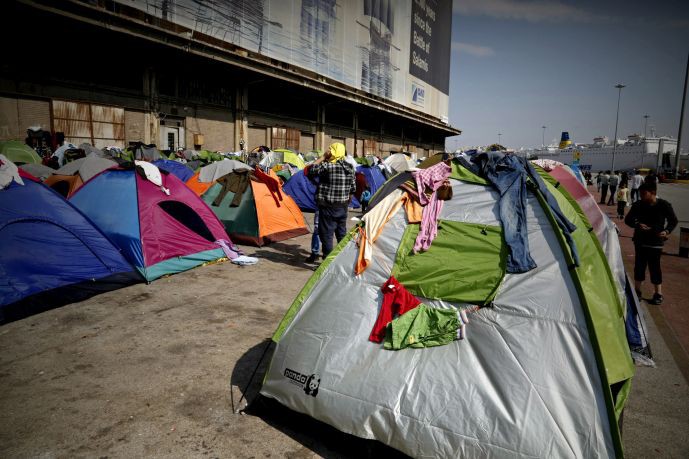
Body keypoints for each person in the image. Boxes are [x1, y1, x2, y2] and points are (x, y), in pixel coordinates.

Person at [624, 183, 678, 305]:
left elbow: (673, 220)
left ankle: (658, 293)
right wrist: (638, 225)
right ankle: (637, 291)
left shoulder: (664, 205)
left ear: (653, 192)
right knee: (639, 266)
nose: (641, 196)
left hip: (656, 242)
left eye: (644, 194)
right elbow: (628, 220)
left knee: (655, 268)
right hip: (640, 241)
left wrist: (667, 231)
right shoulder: (638, 205)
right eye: (640, 194)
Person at [307, 142, 356, 258]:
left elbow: (310, 170)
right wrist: (346, 202)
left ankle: (327, 261)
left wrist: (323, 156)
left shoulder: (327, 166)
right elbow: (352, 189)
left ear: (332, 152)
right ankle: (343, 258)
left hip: (328, 207)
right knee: (341, 234)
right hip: (343, 207)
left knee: (327, 235)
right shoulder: (350, 168)